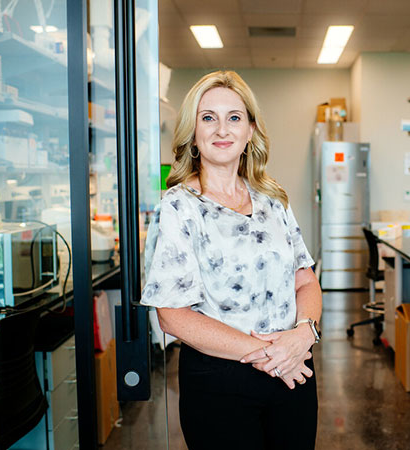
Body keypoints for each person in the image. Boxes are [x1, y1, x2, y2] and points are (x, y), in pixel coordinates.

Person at [141, 70, 322, 450]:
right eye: (208, 117)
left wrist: (305, 332)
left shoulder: (273, 201)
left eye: (234, 117)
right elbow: (171, 314)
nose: (222, 128)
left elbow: (304, 279)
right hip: (220, 382)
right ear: (193, 132)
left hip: (294, 372)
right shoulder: (178, 207)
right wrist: (271, 354)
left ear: (250, 131)